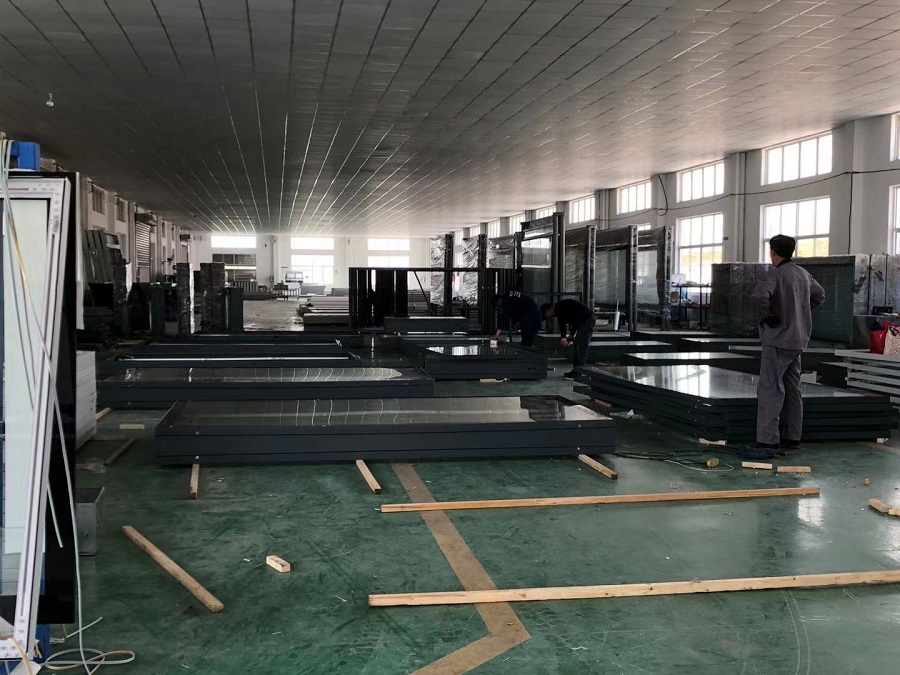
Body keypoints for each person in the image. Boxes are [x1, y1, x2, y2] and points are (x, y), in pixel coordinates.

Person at [749, 234, 826, 458]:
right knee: (793, 387)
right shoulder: (803, 274)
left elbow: (759, 297)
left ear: (773, 252)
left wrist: (769, 316)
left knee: (770, 388)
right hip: (798, 340)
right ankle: (792, 436)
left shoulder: (774, 274)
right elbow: (820, 295)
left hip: (778, 339)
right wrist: (799, 312)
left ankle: (767, 440)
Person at [541, 298, 596, 378]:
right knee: (577, 346)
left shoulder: (560, 308)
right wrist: (570, 336)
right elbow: (575, 321)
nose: (548, 316)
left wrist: (563, 337)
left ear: (550, 309)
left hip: (587, 320)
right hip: (582, 321)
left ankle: (578, 372)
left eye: (547, 314)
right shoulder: (561, 308)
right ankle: (576, 370)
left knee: (581, 347)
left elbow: (563, 324)